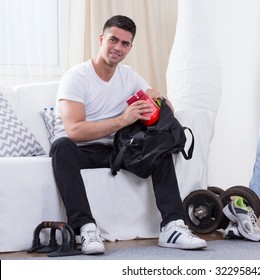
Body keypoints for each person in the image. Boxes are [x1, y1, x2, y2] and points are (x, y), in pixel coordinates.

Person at [50, 15, 207, 255]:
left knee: (159, 145)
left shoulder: (129, 76)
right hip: (81, 151)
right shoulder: (76, 77)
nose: (118, 48)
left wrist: (159, 100)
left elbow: (165, 112)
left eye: (125, 43)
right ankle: (85, 228)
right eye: (113, 40)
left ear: (130, 47)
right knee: (61, 144)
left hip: (117, 149)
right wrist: (124, 119)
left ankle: (173, 227)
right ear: (102, 39)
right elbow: (75, 131)